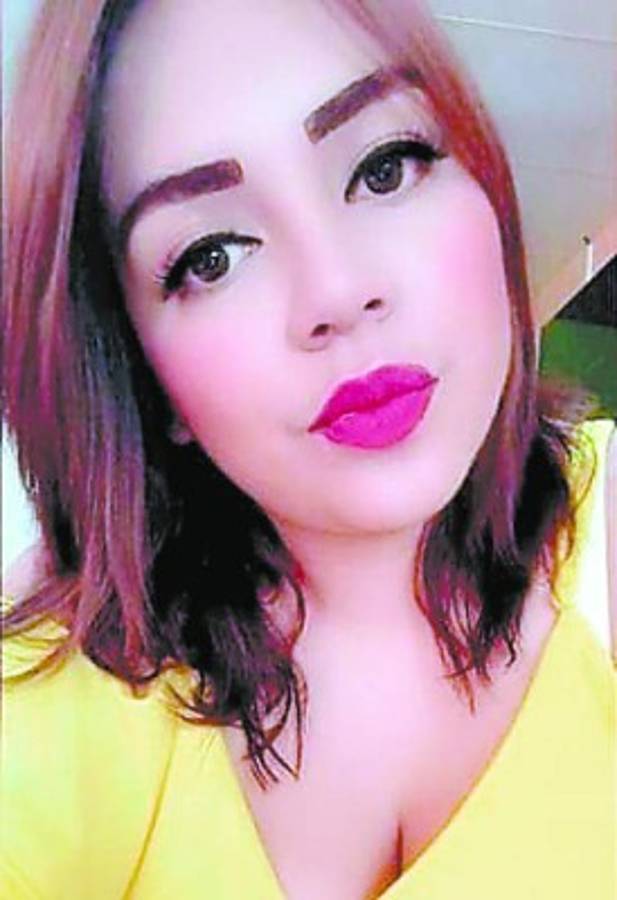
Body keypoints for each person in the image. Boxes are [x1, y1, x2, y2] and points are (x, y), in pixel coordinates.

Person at [2, 1, 615, 898]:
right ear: (142, 374)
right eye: (212, 256)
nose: (335, 290)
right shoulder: (60, 701)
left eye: (383, 167)